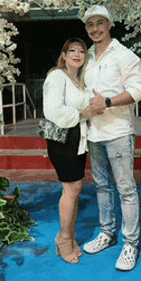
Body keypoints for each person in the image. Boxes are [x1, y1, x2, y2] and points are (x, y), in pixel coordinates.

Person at [81, 5, 141, 271]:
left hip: (119, 132)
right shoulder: (85, 57)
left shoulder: (124, 54)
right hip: (93, 133)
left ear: (110, 24)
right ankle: (107, 234)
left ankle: (130, 243)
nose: (95, 29)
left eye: (100, 23)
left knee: (126, 189)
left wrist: (107, 102)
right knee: (102, 187)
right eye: (90, 25)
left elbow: (139, 89)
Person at [43, 37, 98, 264]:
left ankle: (70, 237)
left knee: (76, 187)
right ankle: (64, 239)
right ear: (63, 56)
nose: (77, 54)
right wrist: (84, 113)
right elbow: (53, 111)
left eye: (82, 51)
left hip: (78, 139)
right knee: (71, 188)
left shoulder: (79, 80)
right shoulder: (57, 76)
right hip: (64, 139)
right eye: (72, 50)